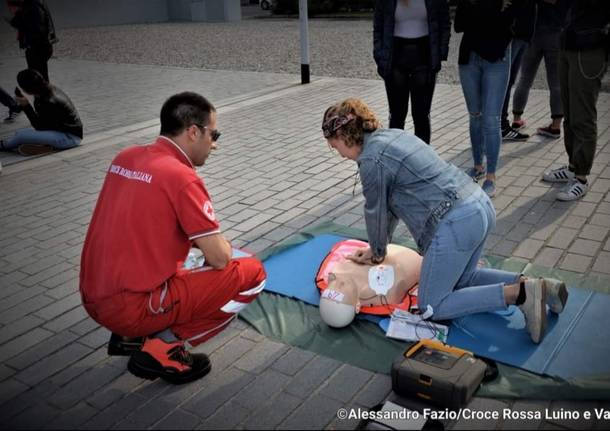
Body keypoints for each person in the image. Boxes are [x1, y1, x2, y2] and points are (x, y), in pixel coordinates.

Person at [321, 98, 568, 343]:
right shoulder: (393, 135)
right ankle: (540, 287)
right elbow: (389, 208)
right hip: (478, 204)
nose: (338, 153)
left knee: (432, 306)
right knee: (463, 280)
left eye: (334, 146)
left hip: (455, 221)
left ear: (344, 135)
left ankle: (519, 294)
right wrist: (378, 248)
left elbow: (375, 211)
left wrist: (376, 253)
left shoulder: (370, 161)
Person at [80, 92, 266, 384]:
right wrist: (223, 246)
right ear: (194, 131)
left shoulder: (125, 156)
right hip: (131, 307)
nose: (214, 144)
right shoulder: (182, 178)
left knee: (187, 260)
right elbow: (219, 257)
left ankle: (133, 337)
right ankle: (164, 348)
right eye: (213, 134)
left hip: (92, 294)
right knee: (251, 272)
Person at [542, 0, 609, 201]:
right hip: (569, 44)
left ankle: (581, 178)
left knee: (583, 116)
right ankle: (573, 167)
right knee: (570, 114)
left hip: (590, 47)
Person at [455, 0, 517, 197]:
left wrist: (478, 10)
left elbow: (509, 22)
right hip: (469, 58)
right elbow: (459, 24)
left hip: (497, 58)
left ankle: (491, 176)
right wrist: (492, 9)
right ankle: (478, 166)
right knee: (475, 115)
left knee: (491, 120)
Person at [373, 0, 450, 144]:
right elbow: (378, 26)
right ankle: (395, 158)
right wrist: (379, 55)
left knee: (421, 115)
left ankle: (422, 160)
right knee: (396, 115)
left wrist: (440, 53)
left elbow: (444, 23)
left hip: (424, 59)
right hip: (395, 58)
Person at [319, 243, 423, 328]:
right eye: (341, 292)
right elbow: (398, 282)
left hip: (384, 248)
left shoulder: (336, 273)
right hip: (410, 259)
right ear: (357, 306)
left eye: (332, 287)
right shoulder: (377, 291)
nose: (339, 283)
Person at [511, 0, 571, 140]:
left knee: (525, 79)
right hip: (556, 32)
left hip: (533, 32)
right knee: (556, 83)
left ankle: (516, 119)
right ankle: (555, 126)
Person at [0, 69, 82, 156]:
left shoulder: (47, 101)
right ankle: (46, 146)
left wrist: (26, 105)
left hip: (69, 138)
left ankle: (3, 145)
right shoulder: (46, 90)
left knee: (21, 136)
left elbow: (39, 126)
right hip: (63, 132)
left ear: (27, 88)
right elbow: (44, 124)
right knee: (19, 133)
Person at [501, 0, 537, 142]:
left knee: (507, 81)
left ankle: (500, 125)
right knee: (505, 81)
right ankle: (501, 125)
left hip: (521, 33)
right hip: (515, 33)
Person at [8, 0, 57, 81]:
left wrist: (17, 14)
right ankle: (43, 92)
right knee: (39, 78)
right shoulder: (32, 4)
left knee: (39, 79)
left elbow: (36, 28)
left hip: (37, 47)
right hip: (38, 46)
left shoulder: (32, 5)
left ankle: (44, 93)